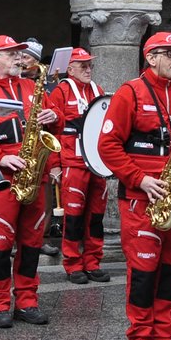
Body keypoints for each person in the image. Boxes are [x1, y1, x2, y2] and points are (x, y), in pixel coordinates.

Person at [96, 31, 171, 340]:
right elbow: (108, 146)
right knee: (144, 270)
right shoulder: (130, 92)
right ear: (151, 57)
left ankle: (164, 335)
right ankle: (140, 338)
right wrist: (140, 179)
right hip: (143, 197)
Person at [0, 35, 64, 328]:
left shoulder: (31, 86)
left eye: (19, 54)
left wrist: (54, 114)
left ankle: (27, 301)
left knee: (32, 243)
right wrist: (0, 159)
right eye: (10, 54)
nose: (18, 59)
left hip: (35, 172)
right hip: (3, 177)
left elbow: (54, 123)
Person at [47, 48, 111, 284]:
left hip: (97, 164)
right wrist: (54, 166)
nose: (88, 69)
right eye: (82, 65)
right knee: (73, 218)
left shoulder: (98, 91)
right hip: (72, 163)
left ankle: (93, 262)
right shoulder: (61, 91)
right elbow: (51, 133)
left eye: (89, 65)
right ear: (70, 68)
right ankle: (73, 264)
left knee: (96, 216)